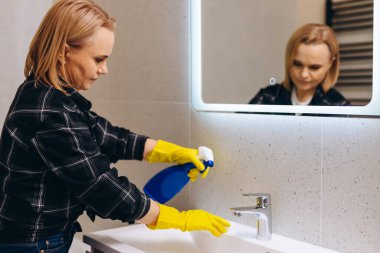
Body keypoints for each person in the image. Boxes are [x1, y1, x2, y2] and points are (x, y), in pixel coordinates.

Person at [0, 0, 230, 252]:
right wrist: (179, 219)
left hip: (38, 238)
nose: (104, 69)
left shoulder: (51, 97)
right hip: (32, 244)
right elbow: (101, 187)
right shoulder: (49, 111)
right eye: (99, 59)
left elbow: (109, 137)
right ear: (64, 52)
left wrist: (173, 152)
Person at [249, 23, 351, 106]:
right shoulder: (268, 96)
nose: (304, 74)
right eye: (297, 64)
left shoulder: (339, 106)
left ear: (331, 63)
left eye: (314, 67)